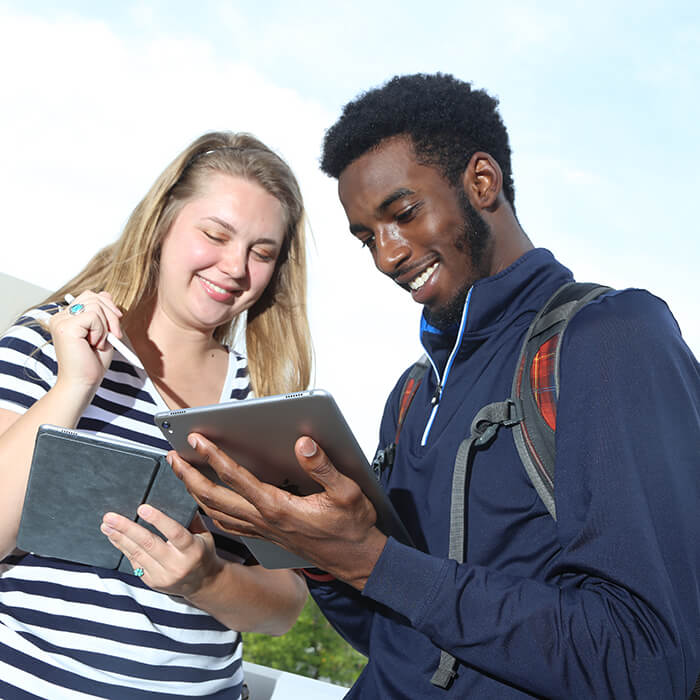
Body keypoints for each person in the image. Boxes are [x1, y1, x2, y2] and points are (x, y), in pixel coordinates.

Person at [172, 74, 700, 699]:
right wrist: (312, 551)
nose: (387, 256)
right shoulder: (409, 395)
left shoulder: (609, 338)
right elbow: (395, 632)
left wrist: (371, 560)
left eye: (403, 213)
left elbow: (648, 659)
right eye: (367, 236)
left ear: (482, 182)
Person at [0, 131, 311, 699]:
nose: (235, 268)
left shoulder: (265, 402)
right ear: (163, 223)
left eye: (261, 253)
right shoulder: (50, 343)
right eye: (215, 235)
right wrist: (75, 384)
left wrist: (206, 579)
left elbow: (283, 607)